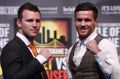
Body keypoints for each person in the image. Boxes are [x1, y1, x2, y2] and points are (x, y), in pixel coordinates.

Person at [66, 2, 120, 79]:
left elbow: (116, 76)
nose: (82, 24)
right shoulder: (71, 49)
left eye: (87, 20)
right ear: (75, 21)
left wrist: (97, 52)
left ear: (96, 22)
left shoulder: (104, 44)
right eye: (79, 20)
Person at [1, 2, 51, 79]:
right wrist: (40, 59)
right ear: (19, 23)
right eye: (30, 20)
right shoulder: (11, 48)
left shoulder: (30, 47)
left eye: (37, 21)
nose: (35, 25)